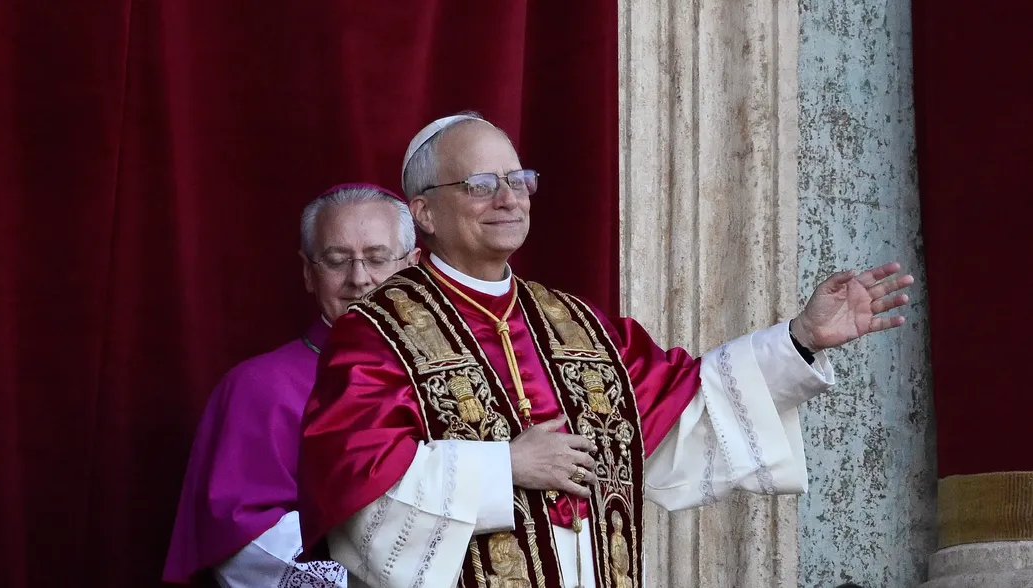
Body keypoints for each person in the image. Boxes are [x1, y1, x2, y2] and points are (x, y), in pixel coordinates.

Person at [296, 114, 914, 588]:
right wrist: (502, 468)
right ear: (424, 211)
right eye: (481, 185)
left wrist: (800, 338)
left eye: (519, 180)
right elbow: (360, 497)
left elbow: (684, 412)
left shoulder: (577, 324)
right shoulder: (377, 332)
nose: (509, 199)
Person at [162, 184, 421, 587]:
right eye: (337, 261)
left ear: (411, 267)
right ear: (307, 273)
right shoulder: (258, 387)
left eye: (377, 258)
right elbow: (246, 542)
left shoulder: (452, 375)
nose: (359, 279)